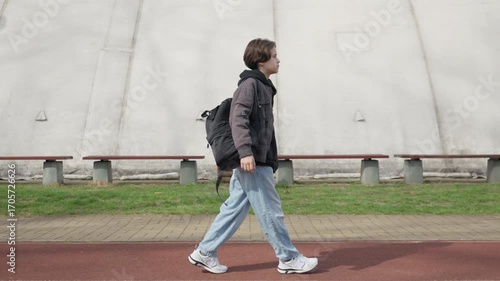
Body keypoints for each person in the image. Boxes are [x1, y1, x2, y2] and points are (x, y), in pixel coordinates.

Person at [188, 38, 318, 274]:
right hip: (252, 161)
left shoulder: (264, 86)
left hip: (258, 159)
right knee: (270, 209)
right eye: (274, 55)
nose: (279, 59)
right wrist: (246, 153)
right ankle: (288, 258)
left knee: (234, 209)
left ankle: (205, 252)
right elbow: (238, 119)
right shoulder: (250, 85)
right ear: (260, 60)